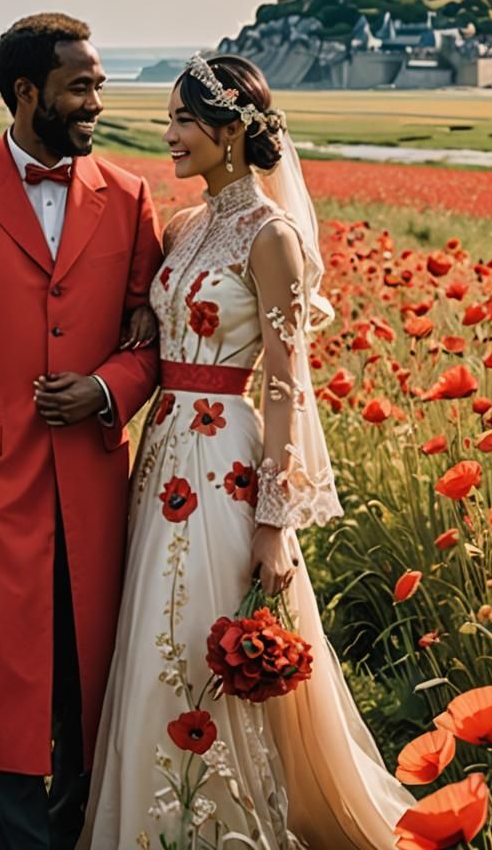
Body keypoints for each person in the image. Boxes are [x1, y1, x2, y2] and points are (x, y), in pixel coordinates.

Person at [83, 54, 412, 848]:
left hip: (227, 455)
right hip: (163, 449)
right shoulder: (184, 226)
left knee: (210, 627)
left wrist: (272, 520)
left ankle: (227, 822)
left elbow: (287, 384)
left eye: (182, 121)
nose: (168, 136)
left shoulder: (275, 238)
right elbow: (153, 320)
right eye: (166, 120)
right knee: (154, 629)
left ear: (231, 132)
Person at [0, 13, 163, 850]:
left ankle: (81, 825)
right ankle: (19, 835)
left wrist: (103, 387)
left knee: (89, 661)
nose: (96, 100)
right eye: (79, 86)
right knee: (5, 669)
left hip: (94, 471)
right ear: (26, 93)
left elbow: (153, 341)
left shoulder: (129, 198)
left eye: (97, 83)